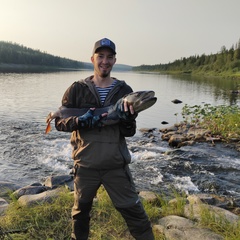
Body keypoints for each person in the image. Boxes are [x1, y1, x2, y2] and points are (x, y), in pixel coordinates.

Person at [55, 38, 154, 240]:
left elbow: (129, 132)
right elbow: (59, 123)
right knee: (80, 215)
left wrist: (127, 119)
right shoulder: (76, 89)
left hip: (115, 166)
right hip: (85, 165)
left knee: (135, 214)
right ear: (93, 59)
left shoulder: (125, 91)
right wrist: (80, 121)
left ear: (114, 61)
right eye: (101, 56)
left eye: (109, 57)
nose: (105, 61)